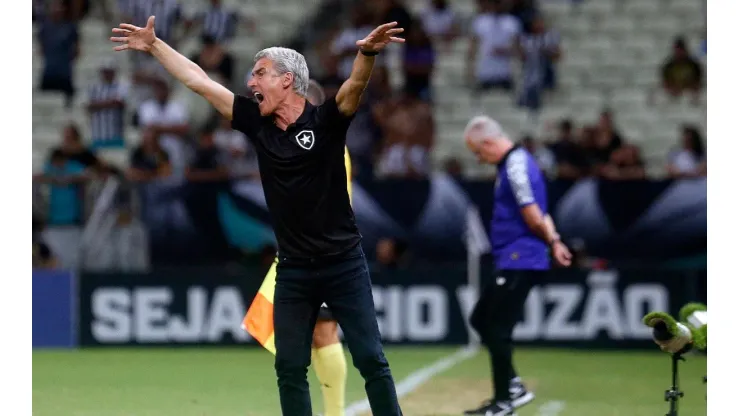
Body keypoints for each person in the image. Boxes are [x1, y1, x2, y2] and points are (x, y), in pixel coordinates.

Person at [110, 15, 405, 416]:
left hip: (343, 264)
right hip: (295, 270)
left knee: (371, 358)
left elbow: (354, 86)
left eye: (260, 74)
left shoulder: (327, 122)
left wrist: (367, 53)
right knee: (288, 367)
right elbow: (199, 81)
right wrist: (156, 45)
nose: (251, 83)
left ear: (287, 80)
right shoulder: (257, 123)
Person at [242, 79, 352, 416]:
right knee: (314, 335)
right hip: (307, 250)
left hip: (319, 253)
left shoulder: (322, 143)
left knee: (323, 330)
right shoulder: (319, 142)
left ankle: (335, 413)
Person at [461, 115, 572, 416]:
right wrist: (555, 239)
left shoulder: (516, 166)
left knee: (494, 325)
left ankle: (504, 401)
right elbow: (541, 211)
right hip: (514, 257)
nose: (478, 158)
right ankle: (512, 389)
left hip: (519, 258)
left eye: (477, 150)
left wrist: (553, 242)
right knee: (482, 319)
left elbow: (534, 215)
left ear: (488, 141)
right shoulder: (517, 163)